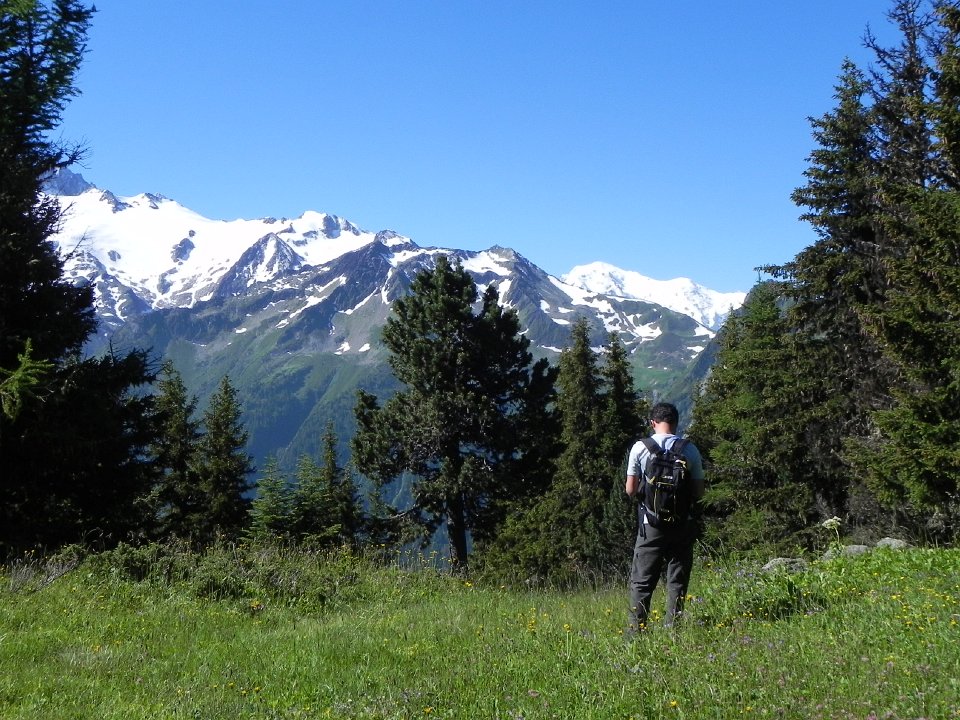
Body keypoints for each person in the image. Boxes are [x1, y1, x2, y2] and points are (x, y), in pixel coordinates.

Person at [625, 401, 705, 632]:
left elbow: (630, 490)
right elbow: (699, 491)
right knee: (677, 580)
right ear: (676, 423)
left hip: (651, 523)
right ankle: (673, 630)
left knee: (642, 581)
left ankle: (636, 632)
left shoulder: (640, 448)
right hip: (682, 523)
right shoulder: (690, 449)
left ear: (653, 423)